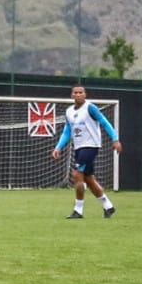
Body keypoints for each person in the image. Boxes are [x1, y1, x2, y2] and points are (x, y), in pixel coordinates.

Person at [51, 83, 121, 218]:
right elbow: (67, 132)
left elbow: (105, 122)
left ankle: (78, 210)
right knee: (88, 179)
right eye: (75, 92)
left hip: (90, 146)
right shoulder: (69, 111)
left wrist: (115, 139)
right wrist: (58, 147)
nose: (78, 94)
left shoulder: (90, 107)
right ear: (72, 95)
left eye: (80, 92)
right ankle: (108, 206)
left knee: (77, 174)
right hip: (79, 147)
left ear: (85, 94)